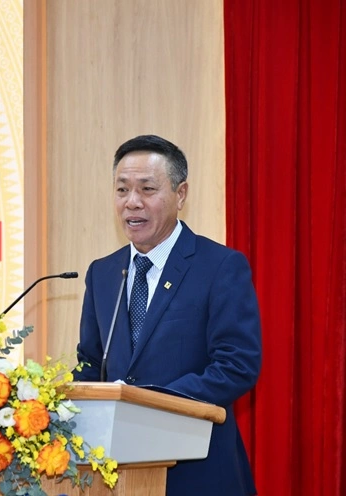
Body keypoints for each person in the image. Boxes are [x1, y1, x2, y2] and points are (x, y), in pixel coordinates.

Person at [72, 134, 262, 496]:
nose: (132, 202)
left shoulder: (219, 266)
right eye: (122, 190)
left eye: (147, 189)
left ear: (181, 194)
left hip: (197, 471)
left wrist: (148, 403)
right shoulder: (103, 273)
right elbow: (91, 364)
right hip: (116, 477)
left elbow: (236, 366)